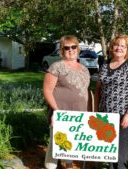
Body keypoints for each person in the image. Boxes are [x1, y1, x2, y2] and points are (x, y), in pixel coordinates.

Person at [43, 35, 92, 169]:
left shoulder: (84, 69)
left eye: (73, 47)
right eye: (66, 48)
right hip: (61, 112)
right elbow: (47, 91)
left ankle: (68, 166)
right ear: (62, 51)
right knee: (56, 142)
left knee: (73, 143)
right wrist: (56, 110)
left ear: (78, 48)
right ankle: (50, 167)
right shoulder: (56, 67)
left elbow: (85, 92)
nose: (70, 50)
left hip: (79, 114)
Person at [94, 34, 128, 169]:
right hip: (105, 115)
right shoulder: (105, 65)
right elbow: (98, 89)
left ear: (127, 49)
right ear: (111, 47)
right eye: (116, 45)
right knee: (108, 148)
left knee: (120, 149)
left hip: (123, 114)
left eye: (123, 46)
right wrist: (96, 111)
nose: (119, 48)